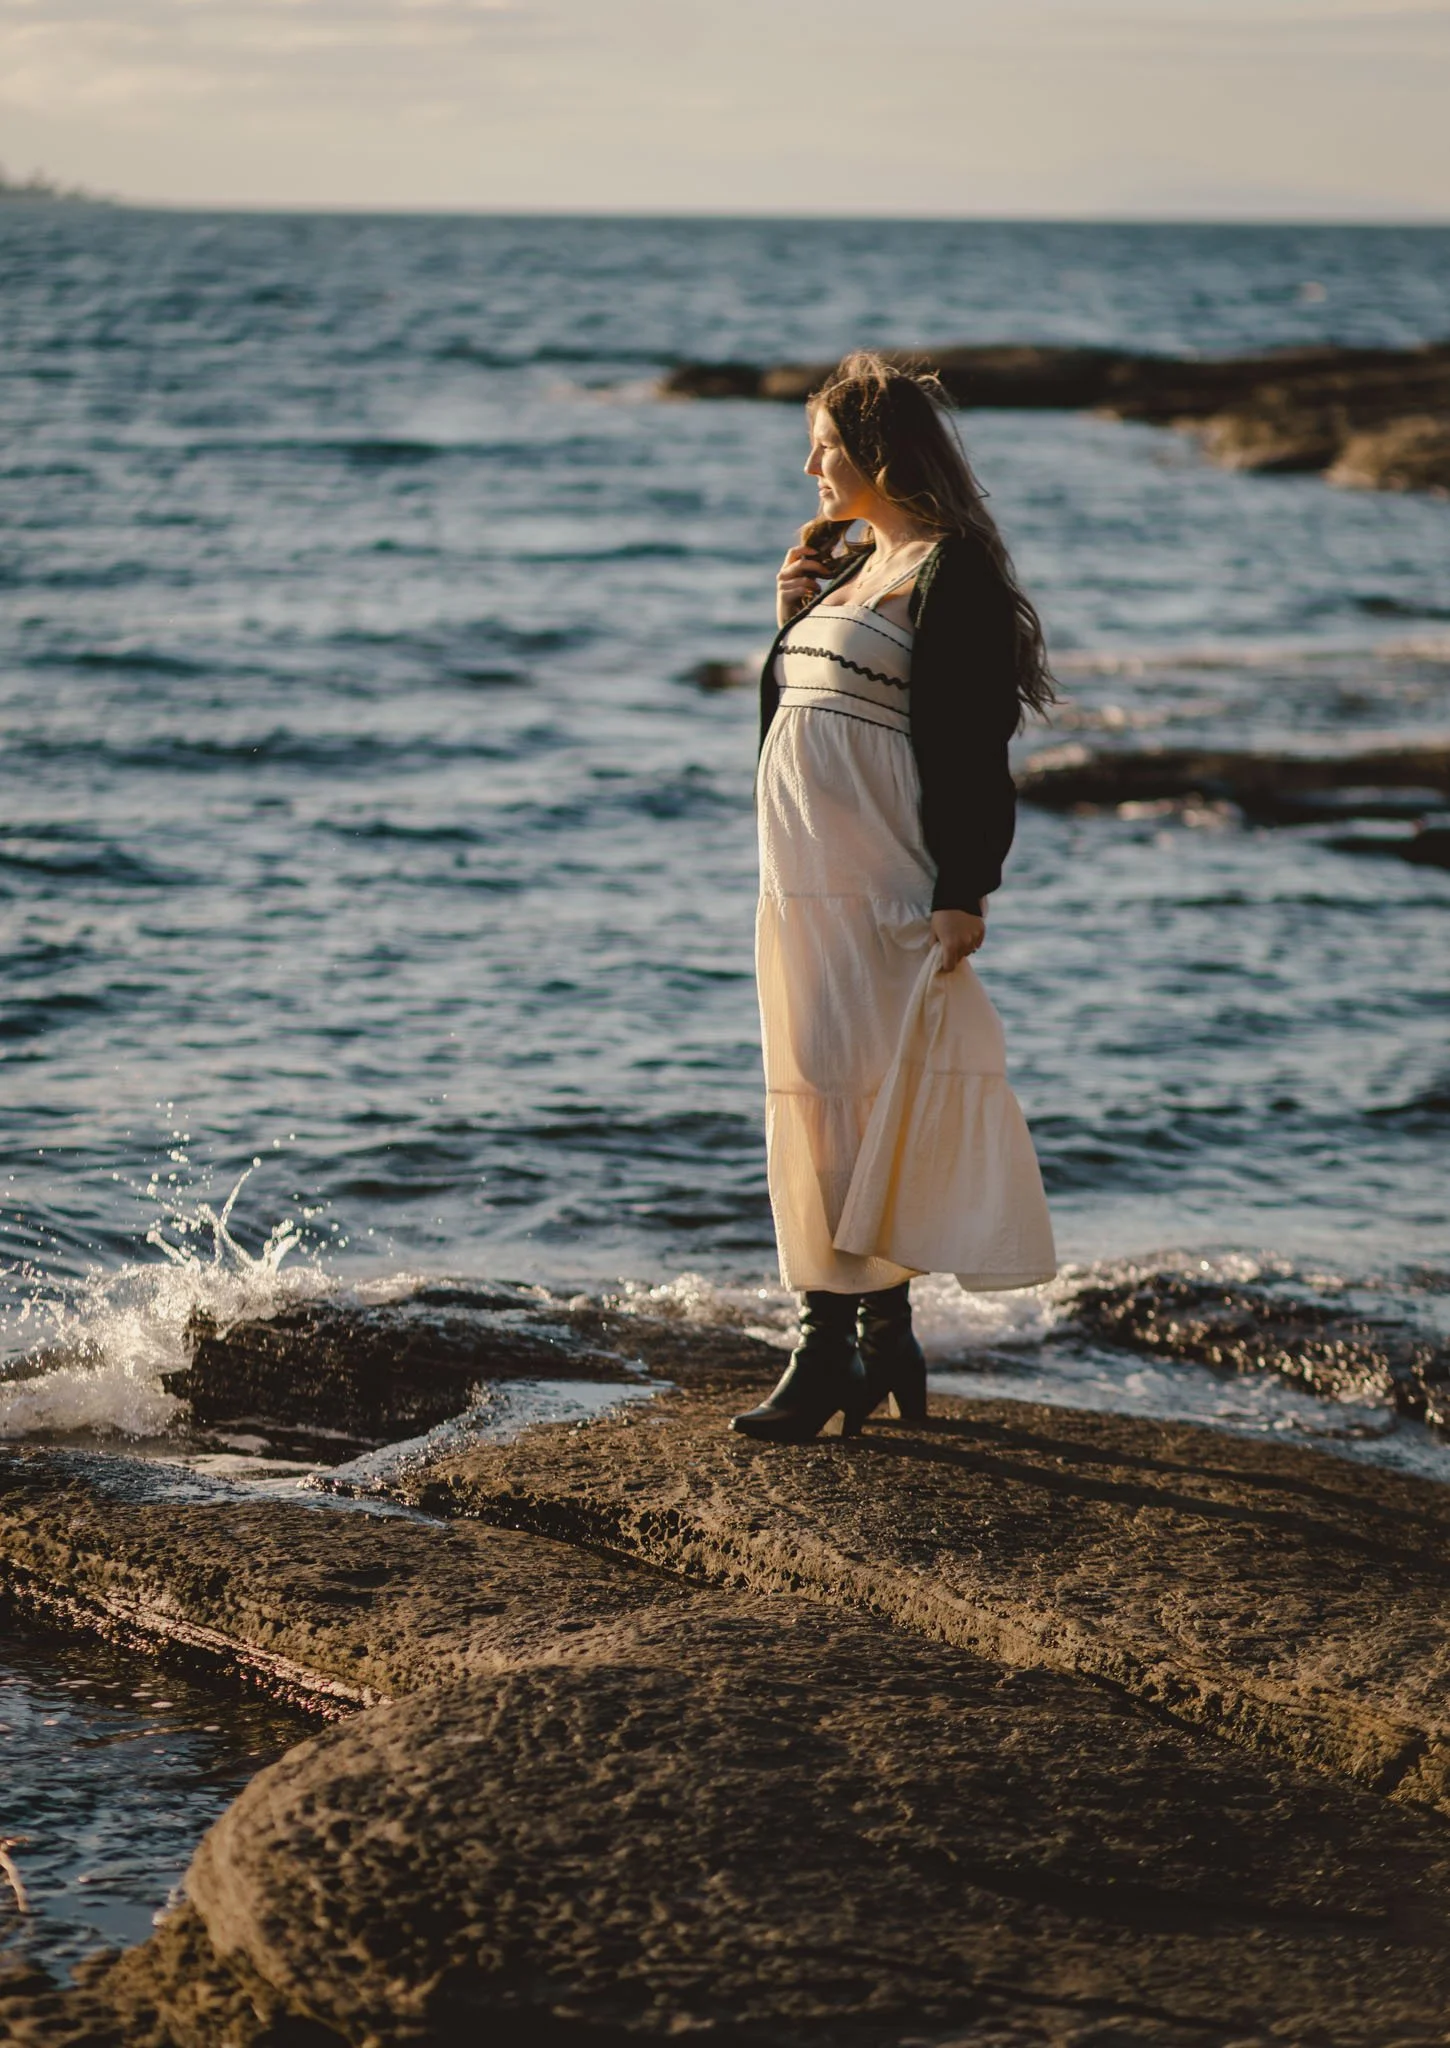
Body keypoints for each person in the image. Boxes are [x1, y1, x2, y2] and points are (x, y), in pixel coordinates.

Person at [730, 352, 1058, 1445]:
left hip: (881, 881)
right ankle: (874, 1339)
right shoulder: (851, 570)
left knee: (865, 1096)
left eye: (823, 442)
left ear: (876, 452)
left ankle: (834, 1346)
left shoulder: (944, 571)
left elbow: (973, 740)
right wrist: (791, 617)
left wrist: (967, 886)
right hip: (801, 883)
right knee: (818, 1092)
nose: (808, 462)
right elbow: (797, 725)